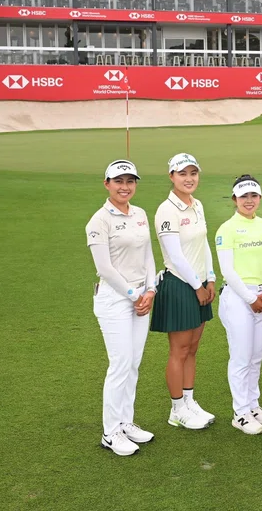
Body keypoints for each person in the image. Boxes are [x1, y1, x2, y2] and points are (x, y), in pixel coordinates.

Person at [86, 159, 157, 456]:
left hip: (142, 297)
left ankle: (126, 422)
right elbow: (104, 268)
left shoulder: (140, 213)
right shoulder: (98, 221)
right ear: (107, 184)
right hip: (115, 299)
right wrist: (133, 294)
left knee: (133, 363)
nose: (125, 186)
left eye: (130, 181)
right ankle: (110, 431)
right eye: (118, 181)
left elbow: (149, 255)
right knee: (120, 363)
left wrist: (151, 289)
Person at [152, 153, 217, 431]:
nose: (189, 179)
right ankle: (176, 408)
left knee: (192, 348)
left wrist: (211, 278)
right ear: (171, 177)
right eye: (182, 174)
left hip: (200, 283)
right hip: (180, 285)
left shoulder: (197, 205)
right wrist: (197, 286)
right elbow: (176, 256)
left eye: (193, 173)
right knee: (179, 350)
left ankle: (189, 402)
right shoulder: (166, 210)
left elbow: (203, 244)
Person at [216, 174, 262, 436]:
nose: (249, 201)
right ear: (235, 199)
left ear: (260, 198)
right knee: (241, 358)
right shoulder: (227, 229)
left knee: (256, 357)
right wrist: (251, 299)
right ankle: (240, 413)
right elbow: (228, 270)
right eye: (244, 196)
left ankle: (253, 405)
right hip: (239, 299)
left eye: (253, 196)